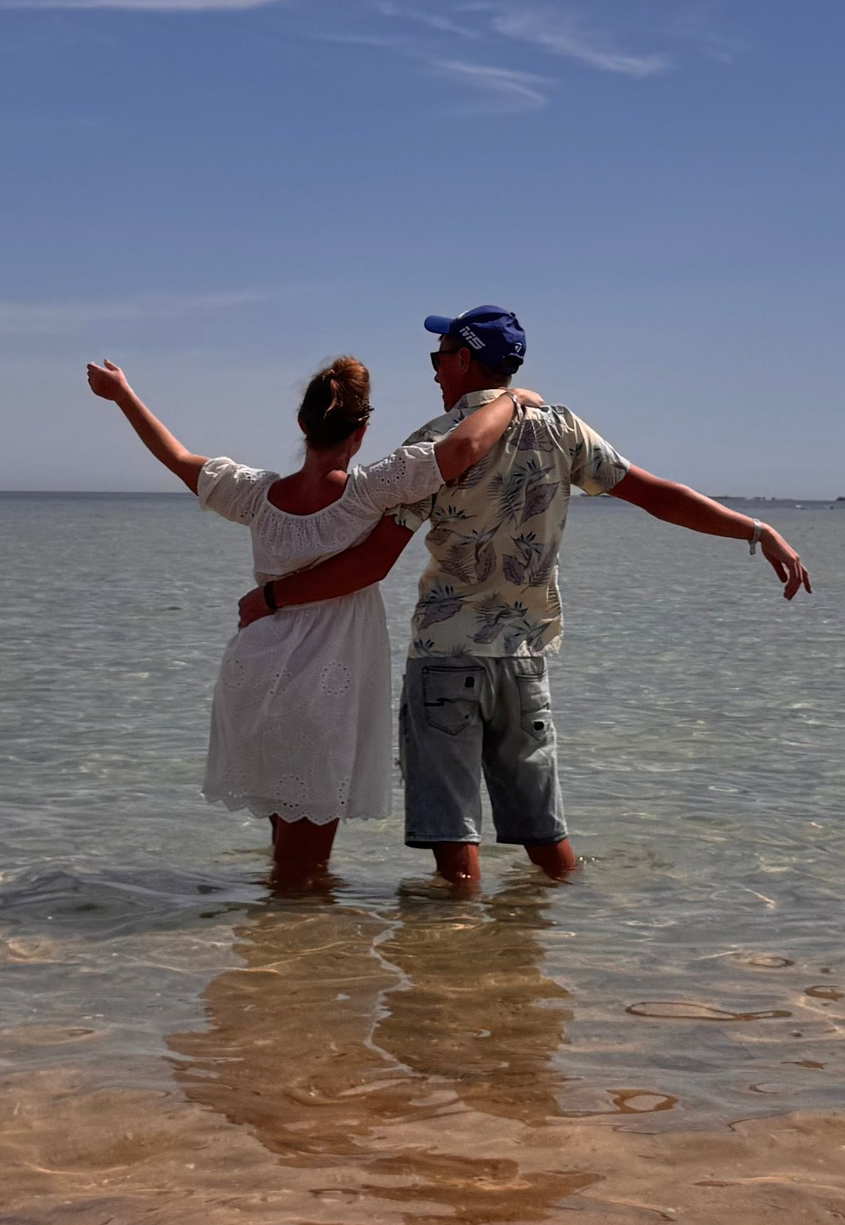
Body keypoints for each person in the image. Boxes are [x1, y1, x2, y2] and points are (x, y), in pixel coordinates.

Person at [238, 304, 808, 891]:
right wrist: (756, 530)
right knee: (545, 838)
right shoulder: (563, 429)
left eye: (439, 359)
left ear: (463, 360)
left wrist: (274, 596)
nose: (434, 372)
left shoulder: (433, 444)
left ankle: (459, 965)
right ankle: (570, 941)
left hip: (444, 659)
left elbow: (371, 563)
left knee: (454, 845)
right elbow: (659, 496)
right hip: (523, 658)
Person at [84, 350, 529, 894]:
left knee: (288, 855)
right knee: (302, 871)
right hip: (325, 686)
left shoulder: (256, 494)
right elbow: (462, 449)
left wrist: (122, 393)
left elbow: (175, 456)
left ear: (302, 424)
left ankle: (274, 959)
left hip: (255, 673)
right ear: (362, 430)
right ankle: (291, 965)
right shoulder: (369, 493)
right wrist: (509, 399)